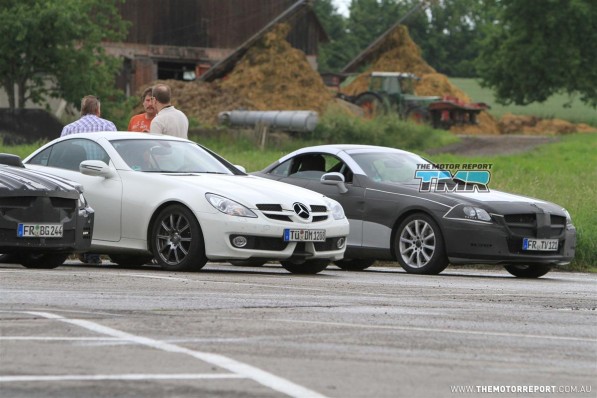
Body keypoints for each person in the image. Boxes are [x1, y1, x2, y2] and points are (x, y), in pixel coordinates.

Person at [60, 95, 116, 265]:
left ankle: (75, 248)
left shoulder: (69, 129)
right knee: (100, 214)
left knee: (78, 213)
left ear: (81, 110)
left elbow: (62, 154)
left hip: (74, 178)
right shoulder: (109, 126)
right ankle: (95, 252)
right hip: (102, 177)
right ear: (98, 110)